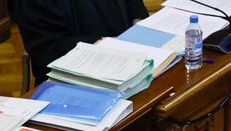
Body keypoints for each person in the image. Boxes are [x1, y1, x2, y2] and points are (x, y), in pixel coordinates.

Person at [11, 0, 150, 84]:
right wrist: (106, 45)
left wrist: (138, 17)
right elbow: (48, 49)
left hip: (129, 65)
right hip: (74, 80)